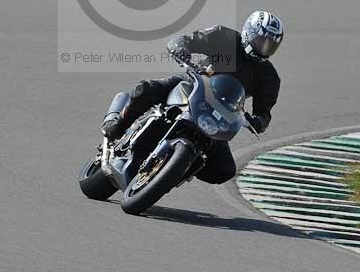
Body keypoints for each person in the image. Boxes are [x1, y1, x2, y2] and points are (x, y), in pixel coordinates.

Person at [101, 11, 284, 184]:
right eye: (261, 40)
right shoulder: (224, 36)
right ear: (248, 32)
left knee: (225, 170)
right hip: (193, 84)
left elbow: (264, 111)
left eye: (270, 45)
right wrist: (181, 49)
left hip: (221, 114)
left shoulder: (270, 77)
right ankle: (117, 126)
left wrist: (259, 121)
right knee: (144, 90)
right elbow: (186, 41)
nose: (264, 47)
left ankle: (178, 169)